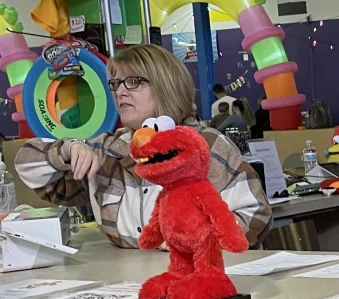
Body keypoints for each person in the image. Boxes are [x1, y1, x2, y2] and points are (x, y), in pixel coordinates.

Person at [16, 43, 271, 248]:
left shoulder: (207, 145)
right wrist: (68, 150)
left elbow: (256, 217)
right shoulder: (107, 150)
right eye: (116, 83)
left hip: (204, 286)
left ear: (165, 87)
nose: (121, 92)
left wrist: (188, 240)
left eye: (134, 82)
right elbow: (31, 168)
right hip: (131, 287)